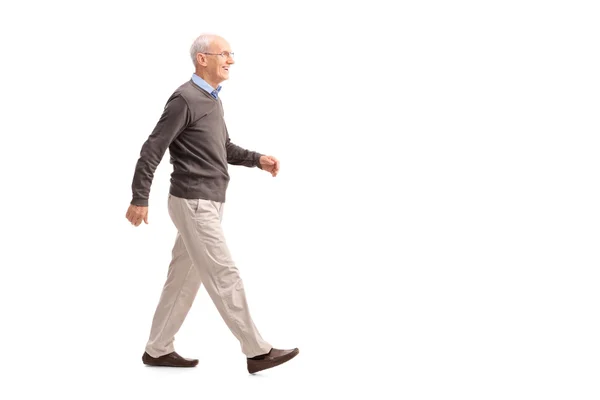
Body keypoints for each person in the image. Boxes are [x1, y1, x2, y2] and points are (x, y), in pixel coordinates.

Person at [125, 33, 299, 374]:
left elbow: (224, 147)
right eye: (225, 54)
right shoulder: (185, 98)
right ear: (202, 59)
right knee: (224, 273)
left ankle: (158, 349)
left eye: (231, 54)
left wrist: (258, 159)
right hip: (193, 202)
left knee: (183, 279)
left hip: (207, 202)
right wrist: (139, 197)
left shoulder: (212, 100)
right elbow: (153, 148)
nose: (231, 60)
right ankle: (257, 351)